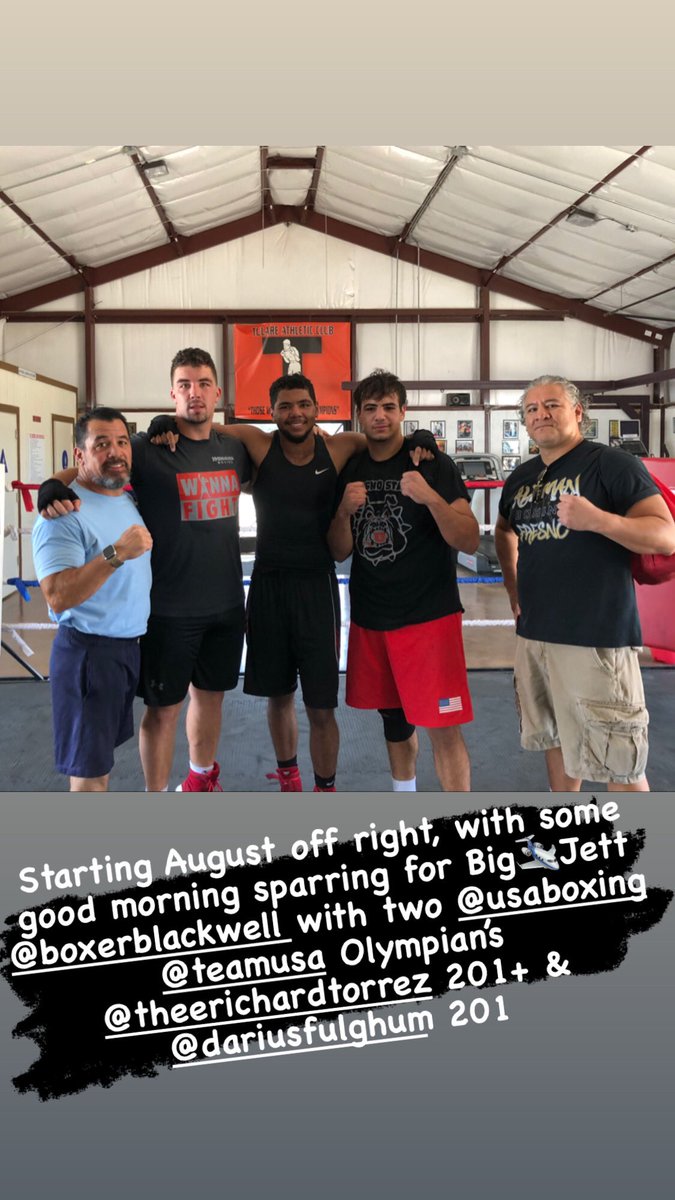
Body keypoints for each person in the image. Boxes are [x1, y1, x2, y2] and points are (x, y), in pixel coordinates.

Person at [38, 349, 252, 793]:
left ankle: (199, 778)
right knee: (164, 708)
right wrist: (51, 485)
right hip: (168, 610)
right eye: (185, 384)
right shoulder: (143, 450)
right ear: (171, 393)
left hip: (227, 604)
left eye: (203, 384)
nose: (195, 392)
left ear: (217, 392)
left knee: (211, 697)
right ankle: (156, 798)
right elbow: (91, 465)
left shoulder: (234, 446)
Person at [494, 374, 675, 792]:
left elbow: (664, 534)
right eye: (532, 409)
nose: (541, 414)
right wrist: (513, 587)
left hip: (596, 638)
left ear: (578, 412)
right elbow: (504, 531)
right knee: (556, 743)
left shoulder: (610, 464)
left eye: (552, 405)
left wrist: (597, 520)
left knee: (619, 762)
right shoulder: (521, 477)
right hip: (536, 634)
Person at [327, 369, 480, 792]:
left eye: (388, 408)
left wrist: (430, 496)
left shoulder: (431, 463)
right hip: (373, 617)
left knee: (442, 725)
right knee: (393, 720)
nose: (380, 416)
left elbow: (467, 538)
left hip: (428, 617)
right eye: (371, 408)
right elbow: (340, 550)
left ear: (403, 412)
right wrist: (342, 511)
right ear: (358, 415)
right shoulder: (351, 467)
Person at [32, 408, 153, 792]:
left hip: (124, 650)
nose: (115, 451)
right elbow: (58, 595)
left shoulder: (122, 496)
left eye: (121, 442)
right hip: (89, 654)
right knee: (88, 778)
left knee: (100, 767)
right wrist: (116, 553)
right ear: (79, 455)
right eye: (101, 444)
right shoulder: (63, 513)